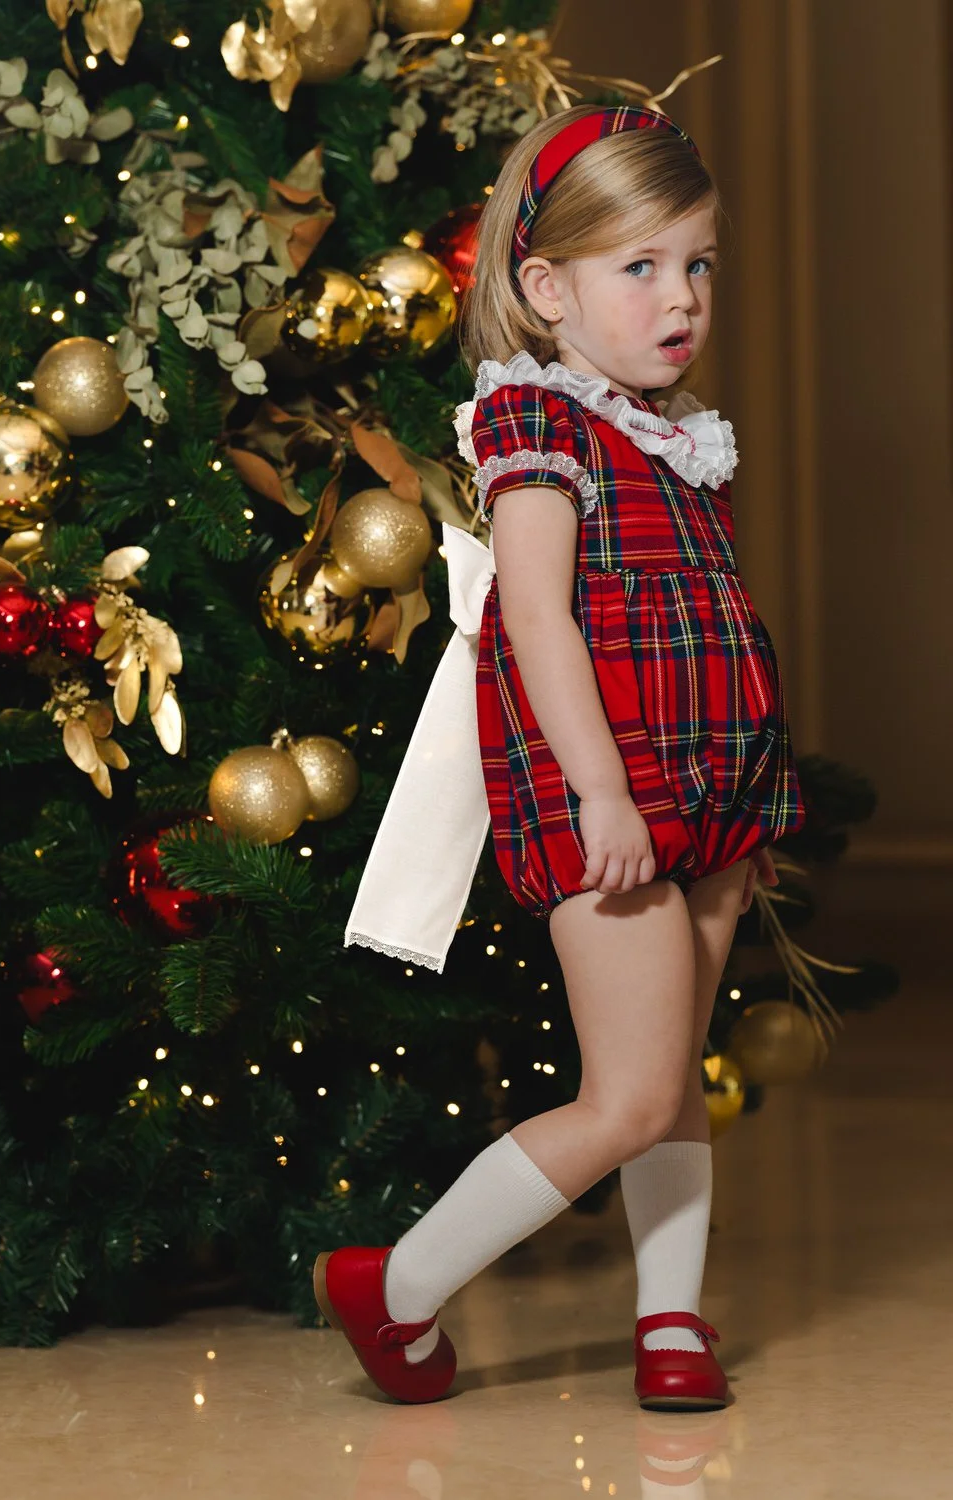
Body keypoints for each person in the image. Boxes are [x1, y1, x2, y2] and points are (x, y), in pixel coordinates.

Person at [317, 102, 806, 1410]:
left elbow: (691, 617)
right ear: (546, 287)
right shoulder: (540, 431)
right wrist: (602, 791)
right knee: (631, 1094)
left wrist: (735, 807)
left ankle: (670, 1322)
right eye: (639, 268)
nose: (681, 296)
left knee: (672, 1076)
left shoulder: (669, 433)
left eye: (695, 263)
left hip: (706, 792)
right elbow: (533, 618)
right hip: (616, 796)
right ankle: (399, 1286)